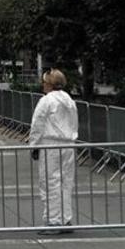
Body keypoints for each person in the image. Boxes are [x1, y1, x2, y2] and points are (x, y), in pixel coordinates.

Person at [29, 69, 79, 235]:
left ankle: (53, 220)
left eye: (44, 81)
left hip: (50, 144)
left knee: (50, 183)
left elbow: (37, 124)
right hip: (68, 144)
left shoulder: (46, 101)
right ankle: (65, 218)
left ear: (49, 84)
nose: (42, 84)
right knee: (66, 182)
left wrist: (33, 146)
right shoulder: (69, 101)